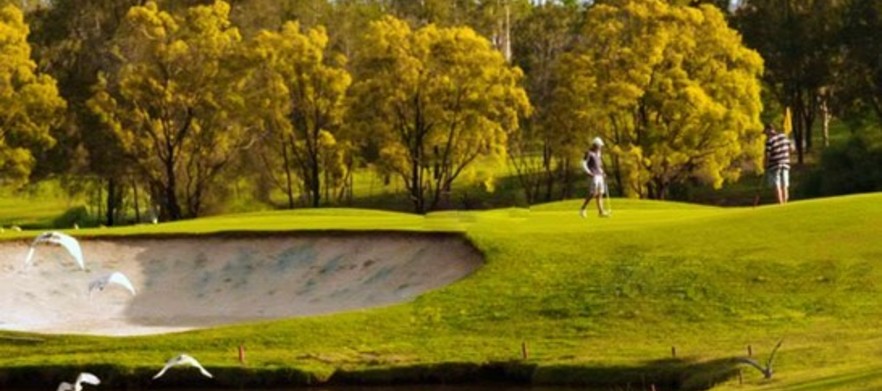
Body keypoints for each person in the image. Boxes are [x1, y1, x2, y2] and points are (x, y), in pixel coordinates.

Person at [580, 137, 609, 218]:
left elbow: (599, 166)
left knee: (600, 194)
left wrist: (603, 172)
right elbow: (583, 163)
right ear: (595, 145)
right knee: (593, 193)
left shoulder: (598, 154)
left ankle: (601, 211)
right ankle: (583, 209)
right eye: (599, 146)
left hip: (599, 175)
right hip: (594, 175)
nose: (600, 147)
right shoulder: (589, 153)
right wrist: (588, 172)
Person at [764, 123, 792, 204]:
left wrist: (765, 164)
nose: (765, 134)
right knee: (785, 184)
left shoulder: (769, 141)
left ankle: (780, 203)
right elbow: (791, 148)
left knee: (777, 184)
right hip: (785, 163)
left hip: (775, 164)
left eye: (766, 132)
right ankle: (785, 202)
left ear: (769, 130)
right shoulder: (784, 136)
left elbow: (767, 155)